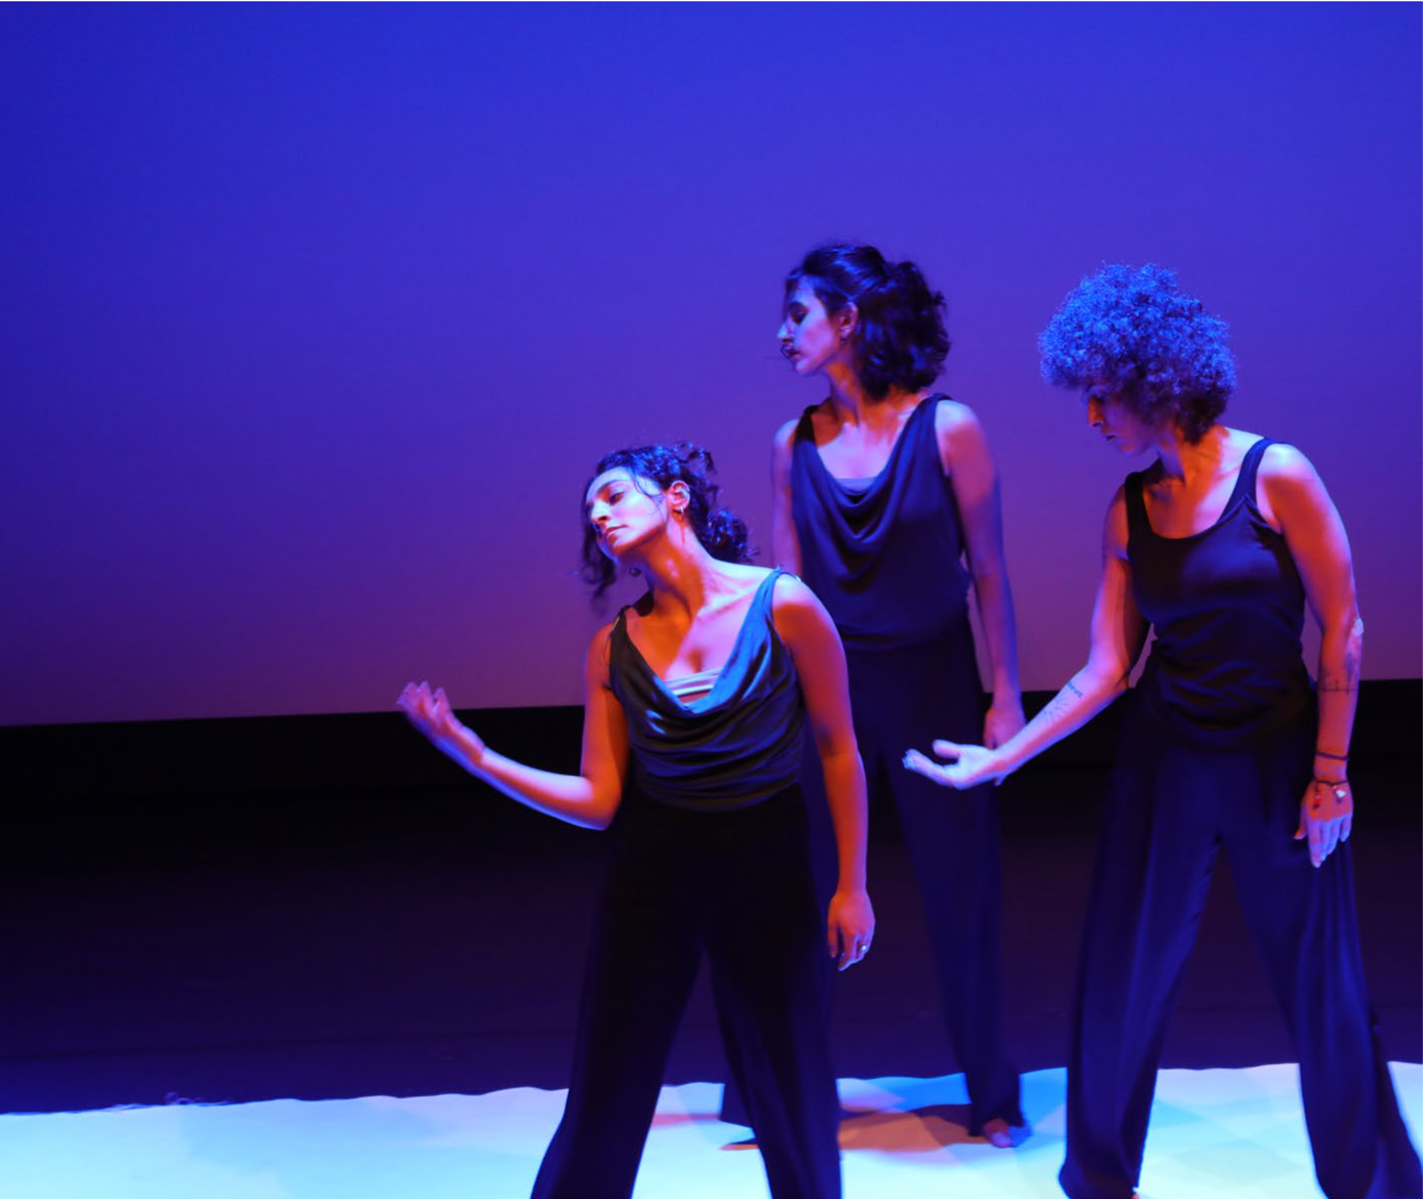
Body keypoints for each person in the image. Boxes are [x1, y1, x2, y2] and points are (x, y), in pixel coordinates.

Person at [905, 263, 1421, 1199]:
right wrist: (1000, 758)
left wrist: (1331, 772)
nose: (1092, 417)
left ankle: (1375, 1184)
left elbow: (1342, 626)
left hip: (1277, 758)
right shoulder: (1129, 507)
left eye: (1102, 396)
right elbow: (1106, 668)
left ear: (1156, 381)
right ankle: (1101, 1179)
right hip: (1167, 760)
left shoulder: (1278, 474)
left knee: (1324, 983)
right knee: (1122, 975)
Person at [398, 442, 875, 1199]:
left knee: (790, 1073)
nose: (599, 514)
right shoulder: (611, 647)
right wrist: (475, 753)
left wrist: (852, 884)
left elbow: (839, 747)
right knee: (609, 1078)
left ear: (675, 496)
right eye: (590, 509)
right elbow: (599, 801)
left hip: (768, 858)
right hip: (655, 868)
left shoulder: (784, 605)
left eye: (614, 495)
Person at [762, 242, 1024, 1145]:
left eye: (798, 314)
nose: (783, 333)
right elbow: (787, 599)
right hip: (831, 697)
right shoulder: (792, 443)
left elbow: (988, 572)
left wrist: (1005, 699)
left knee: (962, 893)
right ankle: (787, 1093)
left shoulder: (948, 428)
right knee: (804, 892)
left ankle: (993, 1092)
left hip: (936, 684)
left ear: (848, 319)